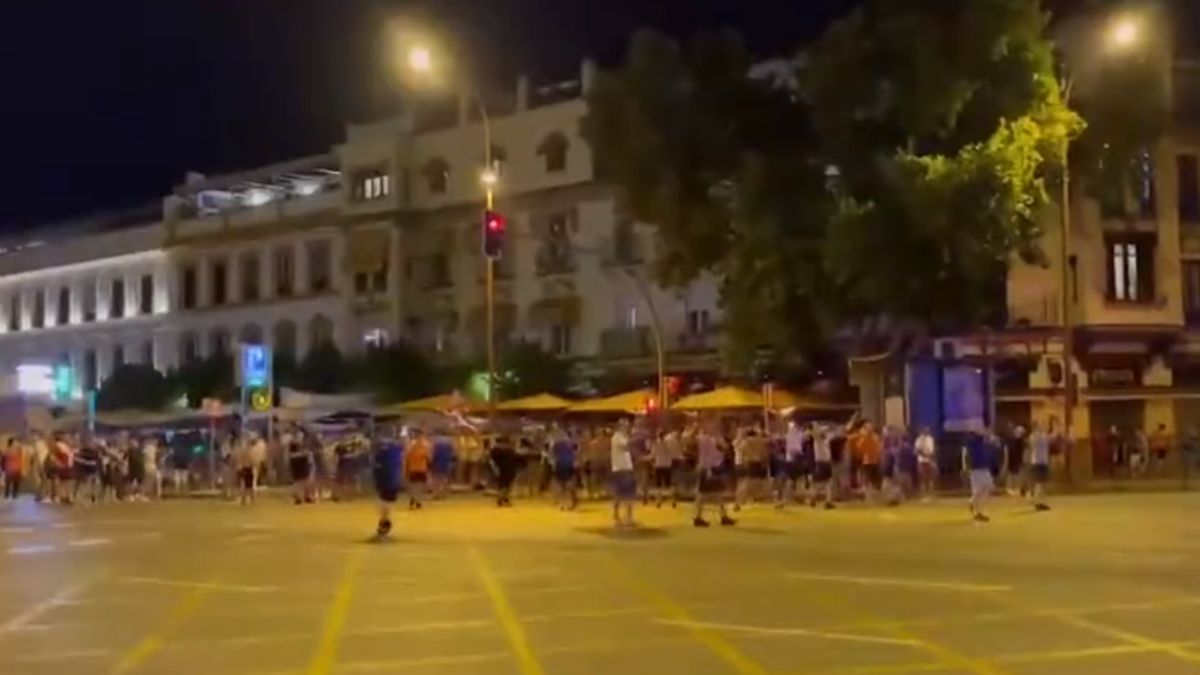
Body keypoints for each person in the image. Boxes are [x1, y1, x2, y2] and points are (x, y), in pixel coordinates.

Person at [693, 425, 735, 527]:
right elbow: (724, 448)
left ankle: (722, 516)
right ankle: (699, 517)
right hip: (709, 468)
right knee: (705, 494)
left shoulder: (702, 438)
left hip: (706, 467)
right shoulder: (711, 439)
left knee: (714, 493)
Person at [371, 430, 404, 539]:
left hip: (386, 478)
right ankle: (384, 521)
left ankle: (384, 522)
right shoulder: (395, 448)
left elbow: (378, 464)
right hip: (389, 478)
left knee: (384, 501)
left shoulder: (384, 450)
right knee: (385, 501)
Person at [962, 428, 994, 523]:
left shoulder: (979, 442)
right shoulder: (972, 443)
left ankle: (973, 504)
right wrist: (965, 468)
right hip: (976, 469)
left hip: (982, 468)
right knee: (980, 489)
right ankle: (978, 512)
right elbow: (965, 455)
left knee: (986, 488)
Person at [609, 420, 637, 527]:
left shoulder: (622, 437)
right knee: (621, 494)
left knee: (627, 494)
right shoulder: (617, 437)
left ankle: (627, 517)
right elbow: (626, 446)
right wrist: (634, 437)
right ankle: (618, 516)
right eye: (626, 426)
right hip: (620, 468)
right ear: (620, 427)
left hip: (626, 468)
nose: (628, 428)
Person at [550, 426, 578, 510]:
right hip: (566, 465)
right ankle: (569, 502)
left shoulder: (556, 445)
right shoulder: (568, 444)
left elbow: (552, 456)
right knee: (567, 485)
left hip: (562, 465)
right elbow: (573, 454)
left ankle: (565, 503)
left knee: (562, 485)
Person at [1027, 421, 1052, 512]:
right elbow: (1048, 438)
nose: (1042, 427)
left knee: (1042, 484)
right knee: (1039, 483)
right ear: (1035, 427)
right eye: (1039, 426)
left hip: (1043, 462)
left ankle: (1042, 503)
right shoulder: (1034, 436)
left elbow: (1050, 438)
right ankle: (1037, 502)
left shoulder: (1041, 436)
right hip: (1038, 462)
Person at [650, 429, 678, 508]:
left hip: (658, 465)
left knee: (658, 485)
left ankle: (658, 501)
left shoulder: (655, 444)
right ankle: (673, 500)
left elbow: (652, 455)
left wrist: (645, 459)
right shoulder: (669, 444)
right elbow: (673, 454)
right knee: (669, 484)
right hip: (667, 465)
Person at [405, 430, 431, 510]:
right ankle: (417, 501)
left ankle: (415, 500)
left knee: (415, 486)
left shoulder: (411, 447)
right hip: (420, 469)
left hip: (415, 469)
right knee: (419, 486)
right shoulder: (424, 447)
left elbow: (407, 458)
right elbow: (429, 459)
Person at [489, 433, 518, 507]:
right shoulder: (498, 451)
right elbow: (492, 461)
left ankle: (505, 498)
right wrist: (495, 469)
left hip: (509, 469)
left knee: (507, 485)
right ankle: (501, 499)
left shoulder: (509, 450)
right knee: (503, 485)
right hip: (503, 469)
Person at [857, 423, 883, 503]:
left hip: (870, 462)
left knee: (871, 481)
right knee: (870, 481)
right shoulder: (873, 438)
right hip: (869, 462)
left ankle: (872, 498)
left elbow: (860, 448)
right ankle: (871, 497)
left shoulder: (869, 438)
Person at [287, 429, 313, 505]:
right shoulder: (292, 444)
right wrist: (302, 454)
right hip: (296, 462)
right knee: (297, 481)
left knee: (306, 479)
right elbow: (291, 455)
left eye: (301, 435)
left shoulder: (305, 443)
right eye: (298, 435)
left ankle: (307, 496)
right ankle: (298, 497)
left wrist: (307, 456)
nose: (299, 436)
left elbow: (308, 453)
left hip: (304, 461)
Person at [232, 433, 257, 506]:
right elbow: (252, 460)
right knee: (249, 485)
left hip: (243, 468)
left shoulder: (242, 451)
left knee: (243, 485)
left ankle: (244, 500)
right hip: (248, 468)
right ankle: (251, 499)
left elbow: (238, 459)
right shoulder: (249, 451)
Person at [430, 431, 455, 500]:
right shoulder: (449, 441)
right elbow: (453, 451)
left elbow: (432, 452)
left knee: (436, 477)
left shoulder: (434, 441)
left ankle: (436, 493)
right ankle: (443, 493)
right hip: (446, 460)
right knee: (444, 477)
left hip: (438, 460)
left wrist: (430, 460)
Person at [915, 427, 937, 499]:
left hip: (929, 459)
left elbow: (932, 449)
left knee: (931, 475)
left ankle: (931, 491)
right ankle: (923, 491)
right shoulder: (918, 440)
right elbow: (917, 450)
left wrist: (930, 456)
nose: (926, 432)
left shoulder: (930, 439)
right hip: (922, 460)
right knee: (922, 476)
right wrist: (925, 455)